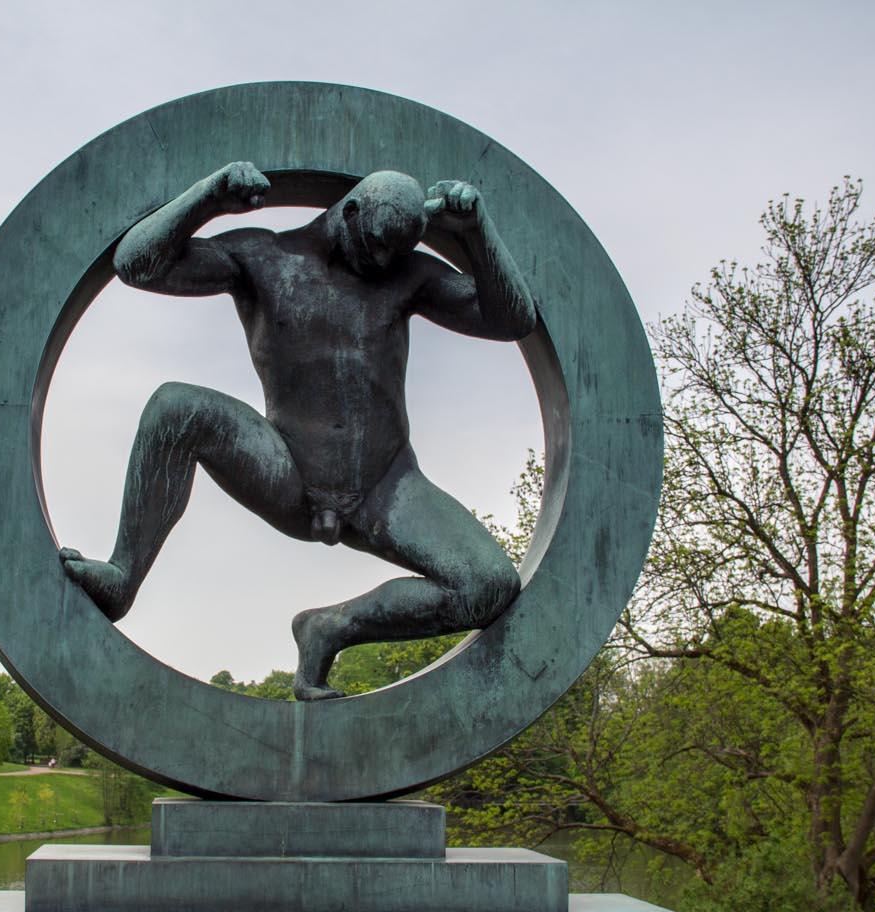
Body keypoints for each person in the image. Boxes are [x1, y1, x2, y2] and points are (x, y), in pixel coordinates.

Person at [59, 162, 537, 700]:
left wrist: (477, 231)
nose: (381, 261)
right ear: (350, 211)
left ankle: (331, 627)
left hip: (387, 484)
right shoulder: (263, 257)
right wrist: (207, 196)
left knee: (490, 585)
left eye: (394, 254)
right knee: (175, 408)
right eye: (376, 244)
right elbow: (137, 265)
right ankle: (123, 575)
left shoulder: (409, 275)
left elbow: (512, 320)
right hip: (285, 468)